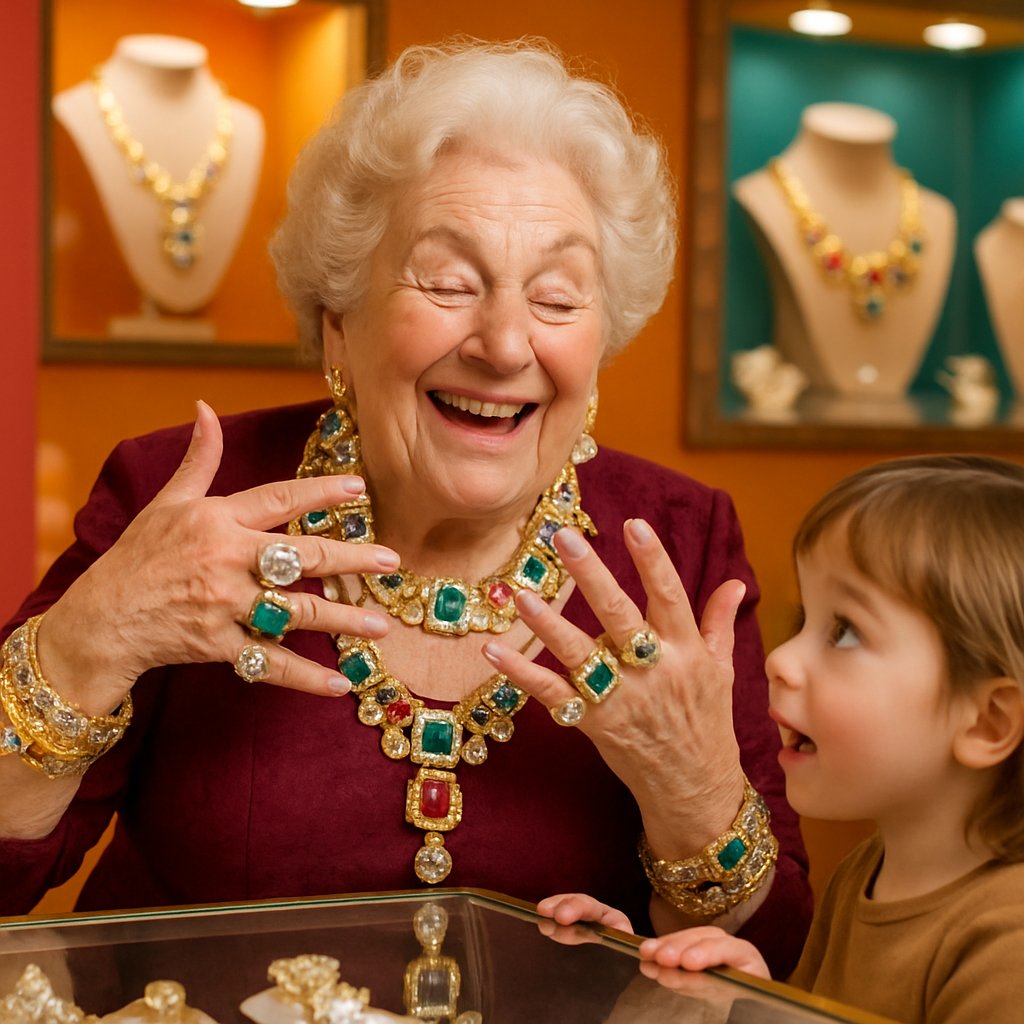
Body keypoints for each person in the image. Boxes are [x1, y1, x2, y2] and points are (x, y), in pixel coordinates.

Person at [0, 40, 810, 974]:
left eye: (556, 297)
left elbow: (772, 954)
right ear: (340, 319)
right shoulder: (183, 498)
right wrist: (90, 639)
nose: (506, 344)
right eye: (450, 283)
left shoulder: (678, 545)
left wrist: (695, 793)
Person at [544, 455, 1024, 1022]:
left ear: (988, 722)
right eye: (805, 621)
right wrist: (744, 996)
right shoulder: (871, 871)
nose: (781, 660)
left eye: (845, 633)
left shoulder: (1008, 945)